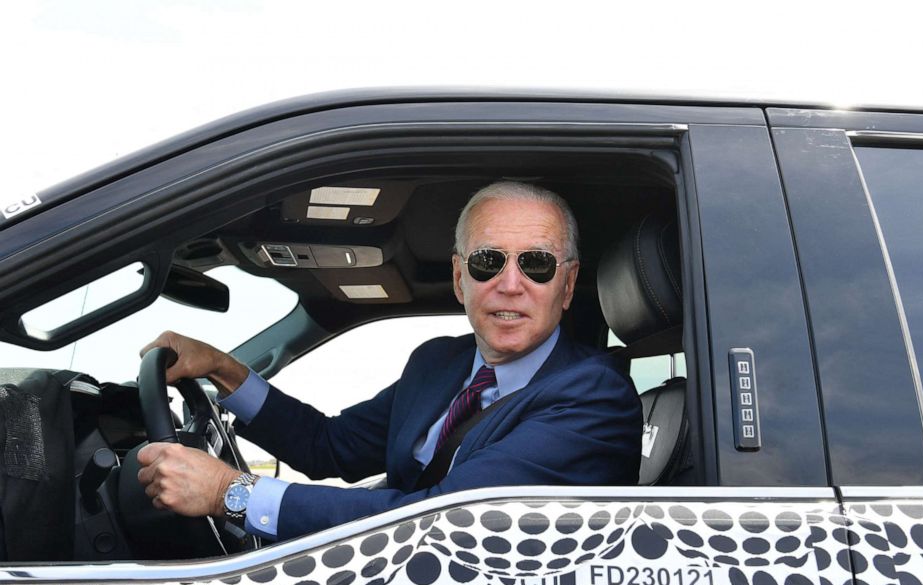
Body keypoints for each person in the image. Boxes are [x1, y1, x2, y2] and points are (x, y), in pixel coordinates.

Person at [137, 182, 642, 541]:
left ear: (568, 284)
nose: (511, 284)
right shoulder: (438, 364)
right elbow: (328, 447)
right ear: (461, 279)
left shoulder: (595, 397)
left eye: (536, 263)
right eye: (488, 261)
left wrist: (232, 492)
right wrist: (223, 368)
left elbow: (440, 522)